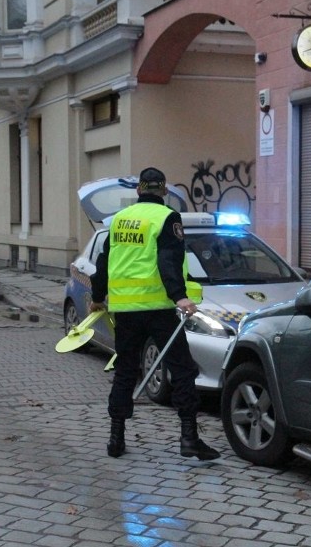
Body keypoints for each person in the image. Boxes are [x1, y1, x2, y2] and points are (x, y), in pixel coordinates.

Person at [90, 167, 220, 460]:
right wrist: (180, 297)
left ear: (138, 190)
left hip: (125, 310)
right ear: (163, 191)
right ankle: (189, 438)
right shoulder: (167, 218)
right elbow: (168, 259)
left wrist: (98, 298)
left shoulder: (119, 220)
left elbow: (103, 261)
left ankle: (116, 438)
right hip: (159, 310)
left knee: (125, 369)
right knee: (184, 369)